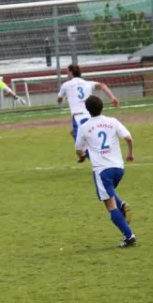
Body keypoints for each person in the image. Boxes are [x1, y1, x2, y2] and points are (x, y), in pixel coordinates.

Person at [75, 95, 135, 248]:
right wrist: (130, 153)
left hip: (102, 171)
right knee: (110, 192)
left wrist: (82, 156)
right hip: (119, 168)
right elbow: (128, 138)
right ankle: (122, 205)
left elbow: (78, 149)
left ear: (87, 110)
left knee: (110, 205)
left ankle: (129, 236)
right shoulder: (112, 121)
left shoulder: (84, 127)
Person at [57, 64, 120, 145]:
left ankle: (91, 155)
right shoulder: (87, 83)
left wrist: (63, 98)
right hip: (91, 115)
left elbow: (58, 100)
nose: (67, 74)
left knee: (83, 144)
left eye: (67, 72)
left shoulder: (66, 85)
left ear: (71, 73)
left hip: (78, 117)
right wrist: (112, 97)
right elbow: (102, 85)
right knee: (78, 134)